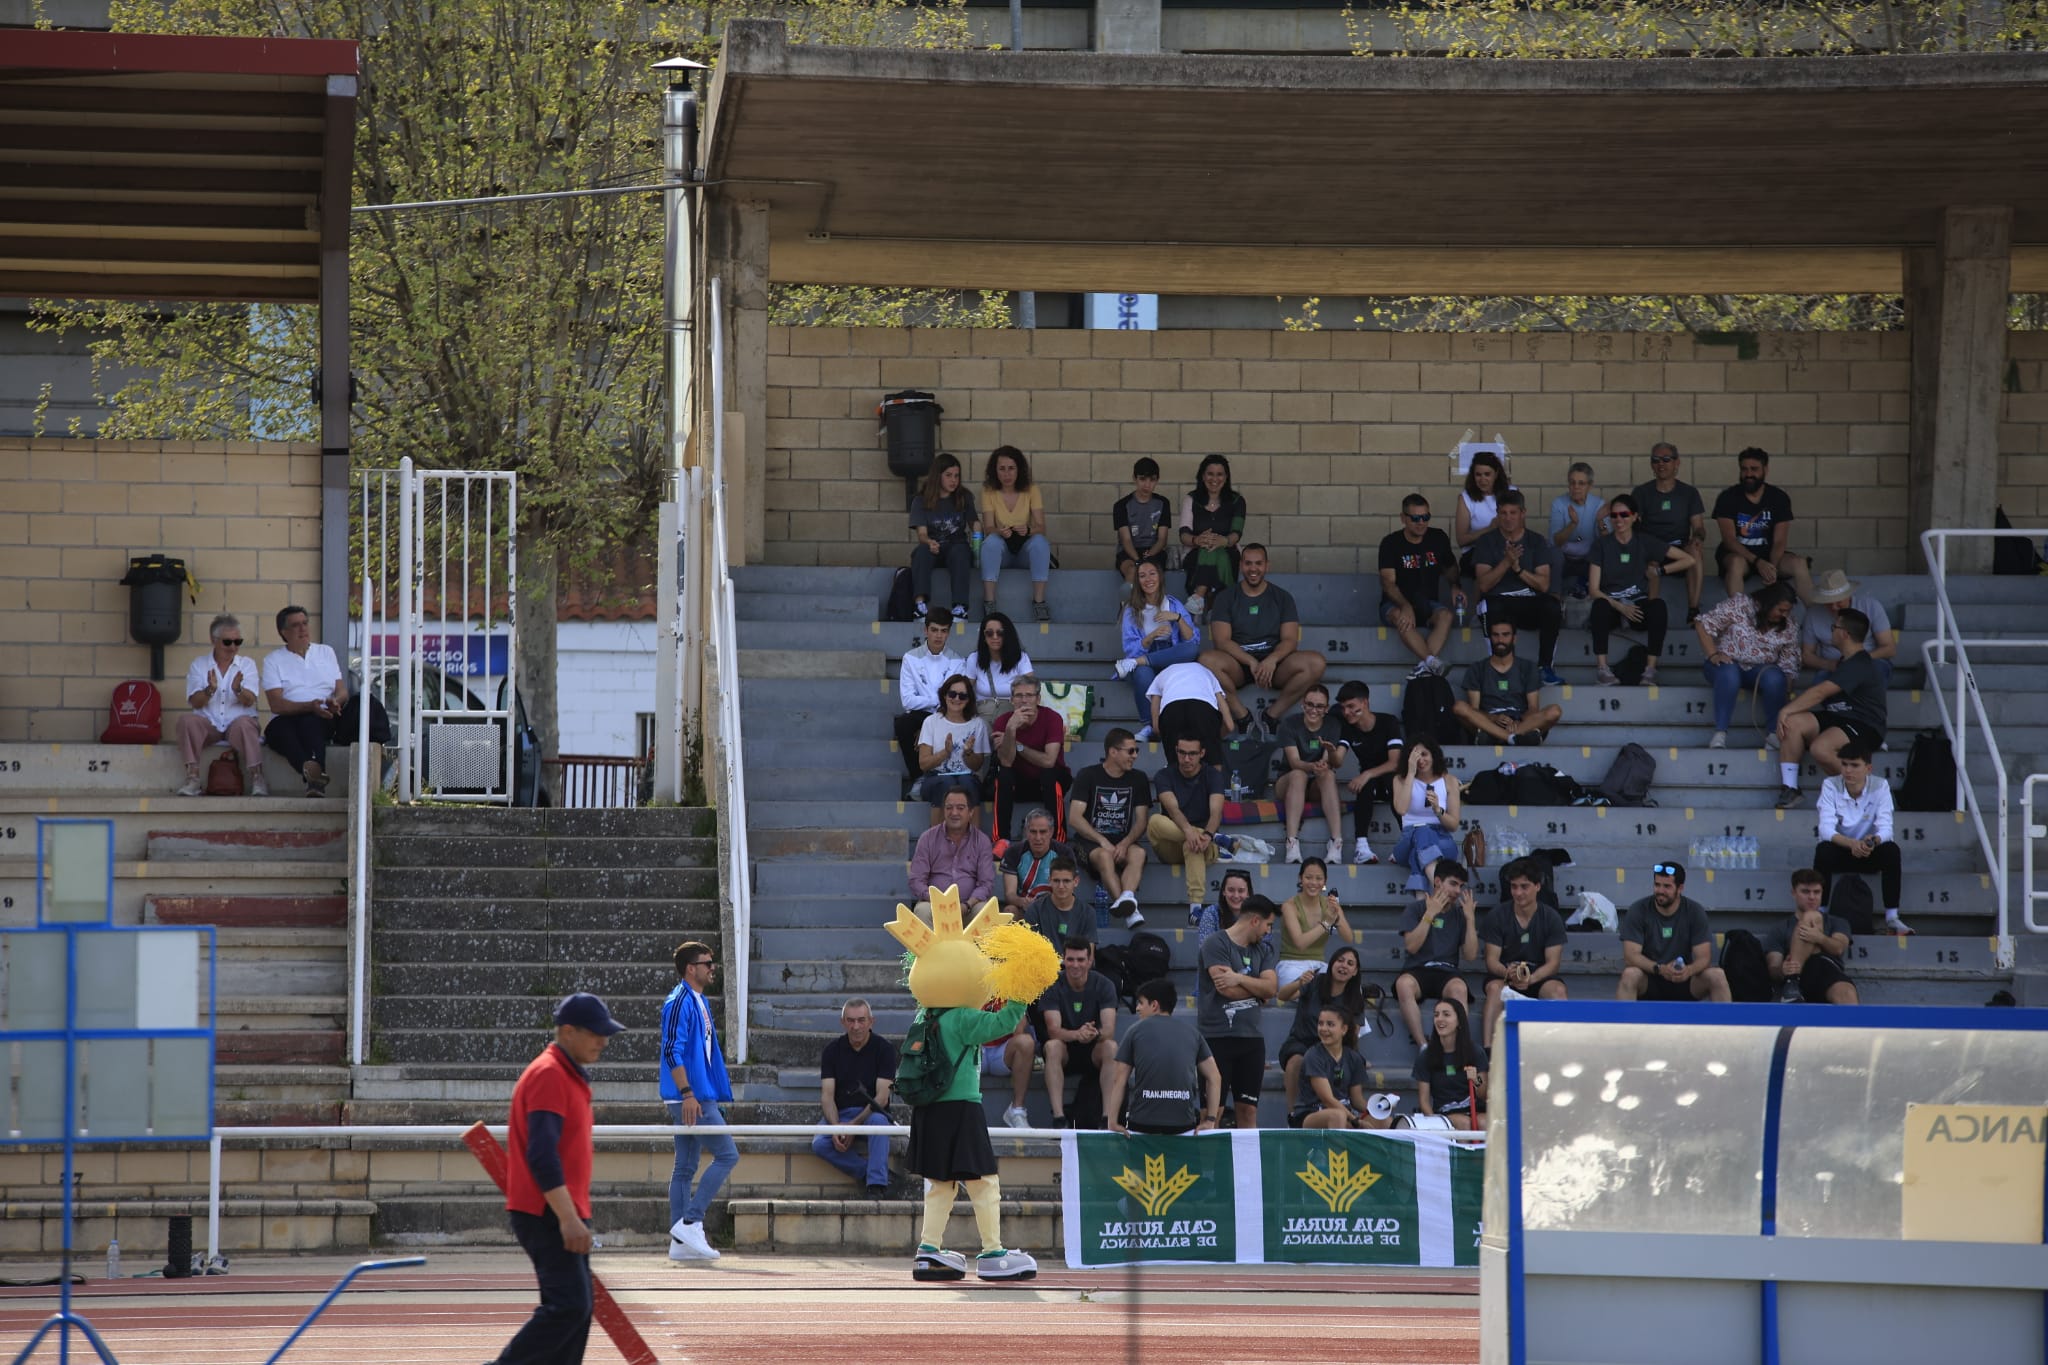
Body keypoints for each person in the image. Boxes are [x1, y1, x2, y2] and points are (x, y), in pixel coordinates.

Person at [496, 992, 623, 1365]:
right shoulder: (550, 1075)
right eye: (595, 1033)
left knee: (578, 1310)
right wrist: (568, 1218)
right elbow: (541, 1153)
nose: (603, 1041)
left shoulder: (565, 1074)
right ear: (568, 1031)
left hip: (559, 1209)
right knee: (569, 1306)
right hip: (547, 1211)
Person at [1199, 543, 1328, 737]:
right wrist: (1250, 661)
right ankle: (1242, 716)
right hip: (1238, 665)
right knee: (1206, 661)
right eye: (1248, 563)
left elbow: (1290, 640)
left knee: (1316, 662)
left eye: (1258, 563)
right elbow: (1222, 641)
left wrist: (1272, 660)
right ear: (1241, 565)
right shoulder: (1226, 597)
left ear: (1267, 565)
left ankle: (1271, 715)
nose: (1253, 569)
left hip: (1275, 665)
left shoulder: (1282, 597)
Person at [659, 944, 736, 1261]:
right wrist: (688, 1093)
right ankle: (690, 1221)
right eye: (708, 964)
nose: (712, 968)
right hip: (690, 1097)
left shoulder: (698, 1000)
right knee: (728, 1154)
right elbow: (670, 1050)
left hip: (696, 1094)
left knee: (686, 1166)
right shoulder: (679, 1001)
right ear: (691, 968)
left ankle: (680, 1242)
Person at [1773, 608, 1887, 810]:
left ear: (1844, 633)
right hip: (1839, 718)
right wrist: (1788, 714)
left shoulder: (1859, 663)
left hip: (1865, 724)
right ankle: (1790, 788)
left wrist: (1785, 709)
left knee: (1820, 748)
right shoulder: (1845, 661)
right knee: (1792, 723)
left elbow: (1820, 693)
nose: (1831, 631)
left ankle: (1862, 793)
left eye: (1834, 627)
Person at [1588, 493, 1694, 685]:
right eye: (1614, 516)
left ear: (1635, 516)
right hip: (1613, 605)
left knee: (1658, 606)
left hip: (1638, 605)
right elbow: (1594, 589)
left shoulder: (1645, 541)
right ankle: (1602, 669)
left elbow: (1688, 559)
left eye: (1624, 514)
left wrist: (1660, 570)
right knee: (1599, 606)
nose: (1619, 520)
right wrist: (1620, 607)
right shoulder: (1601, 544)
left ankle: (1650, 670)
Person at [1197, 894, 1279, 1130]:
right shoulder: (1215, 943)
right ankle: (1209, 1169)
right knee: (1212, 1113)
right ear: (1255, 920)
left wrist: (1239, 978)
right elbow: (1227, 990)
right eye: (1268, 924)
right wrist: (1258, 990)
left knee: (1248, 1112)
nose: (1268, 931)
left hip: (1251, 1040)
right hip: (1216, 1038)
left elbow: (1272, 988)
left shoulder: (1264, 950)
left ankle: (1248, 1167)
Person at [1813, 742, 1913, 935]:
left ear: (1868, 768)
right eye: (1844, 764)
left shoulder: (1880, 786)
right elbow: (1825, 829)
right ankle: (1820, 913)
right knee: (1823, 850)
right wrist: (1851, 843)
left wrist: (1871, 842)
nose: (1848, 770)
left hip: (1868, 851)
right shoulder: (1830, 785)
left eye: (1854, 765)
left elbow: (1886, 829)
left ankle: (1892, 917)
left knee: (1891, 850)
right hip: (1841, 851)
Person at [1105, 978, 1223, 1135]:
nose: (1137, 1008)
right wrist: (1210, 1120)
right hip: (1183, 1124)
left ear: (1154, 1005)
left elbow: (1118, 1080)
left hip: (1142, 1123)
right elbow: (1215, 1077)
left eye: (1141, 1003)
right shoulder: (1193, 1033)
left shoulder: (1134, 1031)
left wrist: (1112, 1121)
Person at [1472, 489, 1564, 687]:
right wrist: (1506, 562)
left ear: (1523, 513)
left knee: (1552, 606)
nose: (1508, 518)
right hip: (1499, 601)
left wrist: (1518, 569)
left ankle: (1545, 668)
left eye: (1513, 513)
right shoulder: (1487, 542)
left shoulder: (1536, 541)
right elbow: (1484, 584)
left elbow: (1543, 584)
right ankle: (1496, 668)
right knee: (1489, 605)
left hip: (1529, 601)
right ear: (1498, 514)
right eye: (1503, 513)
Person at [1695, 582, 1800, 750]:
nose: (1784, 615)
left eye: (1787, 611)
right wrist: (1713, 654)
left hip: (1759, 671)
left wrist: (1785, 691)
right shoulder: (1740, 604)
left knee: (1775, 677)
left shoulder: (1789, 624)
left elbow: (1788, 662)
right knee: (1729, 673)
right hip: (1724, 665)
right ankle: (1720, 733)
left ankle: (1773, 735)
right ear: (1768, 603)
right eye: (1780, 610)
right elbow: (1703, 624)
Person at [1478, 858, 1570, 1046]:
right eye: (1514, 887)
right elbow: (1491, 961)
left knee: (1558, 992)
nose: (1518, 893)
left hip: (1538, 975)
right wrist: (1508, 974)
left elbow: (1553, 963)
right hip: (1505, 974)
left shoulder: (1551, 917)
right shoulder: (1497, 915)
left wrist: (1531, 979)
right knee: (1495, 990)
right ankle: (1488, 1050)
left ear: (1537, 886)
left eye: (1524, 887)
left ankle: (1562, 1046)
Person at [811, 998, 898, 1194]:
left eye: (861, 1020)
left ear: (871, 1021)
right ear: (843, 1022)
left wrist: (852, 1127)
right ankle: (870, 1174)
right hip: (840, 1114)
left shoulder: (884, 1049)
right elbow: (827, 1096)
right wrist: (836, 1128)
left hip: (871, 1113)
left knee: (880, 1124)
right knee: (819, 1143)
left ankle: (877, 1186)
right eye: (850, 1021)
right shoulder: (832, 1051)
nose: (856, 1026)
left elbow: (882, 1098)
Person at [176, 612, 266, 797]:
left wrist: (238, 690)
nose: (233, 647)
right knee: (186, 721)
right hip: (209, 725)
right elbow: (195, 701)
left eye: (237, 642)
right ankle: (192, 778)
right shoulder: (199, 665)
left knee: (245, 723)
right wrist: (210, 690)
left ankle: (257, 778)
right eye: (227, 642)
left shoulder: (247, 665)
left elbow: (250, 700)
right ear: (213, 640)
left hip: (237, 726)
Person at [1068, 728, 1151, 928]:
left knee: (1138, 853)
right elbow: (1075, 818)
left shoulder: (1138, 778)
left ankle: (1127, 899)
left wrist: (1125, 843)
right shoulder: (1088, 775)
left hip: (1122, 840)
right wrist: (1102, 841)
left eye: (1136, 751)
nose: (1135, 756)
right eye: (1130, 751)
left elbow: (1141, 821)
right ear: (1113, 752)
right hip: (1089, 843)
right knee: (1105, 856)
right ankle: (1132, 912)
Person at [261, 604, 346, 797]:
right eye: (296, 625)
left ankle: (314, 782)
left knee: (311, 723)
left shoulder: (325, 652)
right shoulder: (273, 660)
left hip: (322, 714)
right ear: (283, 632)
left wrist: (335, 701)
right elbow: (276, 704)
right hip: (288, 716)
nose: (303, 629)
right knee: (276, 731)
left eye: (305, 623)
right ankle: (313, 775)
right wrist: (309, 706)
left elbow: (342, 691)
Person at [1712, 446, 1815, 604]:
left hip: (1770, 556)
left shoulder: (1778, 497)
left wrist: (1771, 568)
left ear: (1765, 469)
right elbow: (1729, 540)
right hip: (1741, 556)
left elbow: (1780, 541)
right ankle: (1739, 620)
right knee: (1736, 563)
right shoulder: (1727, 497)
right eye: (1744, 469)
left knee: (1799, 563)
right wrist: (1757, 562)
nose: (1748, 474)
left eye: (1754, 469)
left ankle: (1814, 619)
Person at [1616, 863, 1732, 1002]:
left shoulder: (1694, 911)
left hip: (1684, 980)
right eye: (1657, 885)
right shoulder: (1638, 910)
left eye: (1667, 886)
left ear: (1680, 888)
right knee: (1630, 975)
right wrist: (1660, 968)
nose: (1660, 891)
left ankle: (1723, 1023)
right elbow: (1630, 957)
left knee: (1717, 976)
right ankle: (1625, 1023)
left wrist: (1688, 970)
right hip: (1651, 979)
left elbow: (1704, 958)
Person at [1394, 859, 1479, 1048]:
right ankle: (1423, 1045)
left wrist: (1471, 921)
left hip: (1447, 971)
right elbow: (1412, 947)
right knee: (1403, 984)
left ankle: (1458, 1047)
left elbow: (1471, 956)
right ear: (1438, 882)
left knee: (1459, 989)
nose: (1458, 891)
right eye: (1453, 884)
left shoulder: (1460, 914)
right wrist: (1429, 915)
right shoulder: (1415, 909)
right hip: (1418, 969)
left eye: (1461, 886)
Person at [1378, 493, 1463, 679]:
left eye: (1425, 517)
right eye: (1415, 518)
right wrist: (1405, 605)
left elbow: (1450, 567)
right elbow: (1388, 583)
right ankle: (1432, 662)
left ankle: (1425, 666)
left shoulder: (1438, 537)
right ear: (1403, 518)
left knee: (1446, 616)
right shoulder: (1391, 543)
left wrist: (1455, 585)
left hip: (1428, 602)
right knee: (1401, 617)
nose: (1421, 522)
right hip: (1396, 604)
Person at [1116, 559, 1203, 740]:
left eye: (1152, 574)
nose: (1148, 579)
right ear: (1138, 581)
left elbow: (1192, 640)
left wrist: (1178, 618)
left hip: (1170, 656)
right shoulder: (1132, 610)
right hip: (1145, 655)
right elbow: (1130, 649)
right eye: (1142, 575)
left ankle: (1137, 664)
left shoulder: (1173, 604)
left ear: (1160, 577)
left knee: (1191, 650)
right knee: (1141, 672)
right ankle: (1149, 726)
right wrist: (1151, 636)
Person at [1277, 946, 1369, 1112]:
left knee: (1352, 1061)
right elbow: (1282, 996)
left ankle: (1346, 1111)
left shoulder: (1355, 997)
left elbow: (1352, 1036)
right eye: (1340, 960)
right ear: (1332, 963)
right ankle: (1294, 1115)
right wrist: (1298, 982)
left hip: (1335, 1047)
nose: (1344, 966)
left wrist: (1353, 1057)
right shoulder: (1315, 981)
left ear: (1355, 971)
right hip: (1302, 1041)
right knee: (1296, 1061)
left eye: (1350, 963)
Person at [1039, 938, 1118, 1128]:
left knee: (1111, 1047)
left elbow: (1109, 1029)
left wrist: (1093, 1034)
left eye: (1081, 960)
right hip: (1065, 1050)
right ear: (1063, 960)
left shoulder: (1105, 984)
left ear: (1090, 961)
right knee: (1052, 1046)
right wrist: (1077, 1034)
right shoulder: (1052, 984)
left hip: (1093, 1049)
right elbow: (1053, 1030)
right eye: (1071, 959)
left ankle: (1108, 1117)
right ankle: (1058, 1118)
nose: (1075, 965)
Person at [1150, 734, 1226, 927]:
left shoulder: (1213, 775)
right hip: (1173, 843)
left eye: (1192, 754)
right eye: (1182, 753)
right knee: (1155, 821)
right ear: (1176, 752)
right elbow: (1172, 809)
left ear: (1202, 753)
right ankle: (1217, 838)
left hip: (1204, 843)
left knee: (1191, 845)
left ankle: (1195, 910)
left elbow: (1216, 812)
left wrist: (1207, 835)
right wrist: (1189, 831)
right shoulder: (1164, 775)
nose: (1186, 759)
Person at [1274, 683, 1352, 864]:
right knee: (1298, 774)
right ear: (1303, 704)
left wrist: (1325, 762)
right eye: (1310, 704)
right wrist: (1313, 767)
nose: (1313, 710)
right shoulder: (1290, 723)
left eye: (1319, 706)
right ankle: (1291, 842)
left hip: (1316, 783)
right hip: (1288, 782)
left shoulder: (1332, 724)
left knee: (1329, 775)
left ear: (1326, 709)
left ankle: (1336, 842)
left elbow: (1328, 757)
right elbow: (1294, 762)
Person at [1631, 442, 1707, 624]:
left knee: (1695, 551)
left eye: (1666, 459)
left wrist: (1697, 538)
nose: (1661, 464)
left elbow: (1698, 526)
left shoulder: (1689, 492)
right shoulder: (1642, 492)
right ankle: (1650, 613)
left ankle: (1693, 610)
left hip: (1679, 549)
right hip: (1653, 548)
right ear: (1651, 464)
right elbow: (1633, 525)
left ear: (1677, 462)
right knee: (1651, 560)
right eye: (1656, 460)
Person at [1455, 619, 1562, 746]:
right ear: (1490, 638)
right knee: (1459, 707)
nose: (1500, 640)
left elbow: (1533, 708)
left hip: (1520, 724)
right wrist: (1493, 718)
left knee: (1554, 711)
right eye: (1496, 635)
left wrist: (1519, 722)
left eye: (1505, 635)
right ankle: (1513, 738)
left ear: (1514, 638)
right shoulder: (1477, 668)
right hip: (1488, 724)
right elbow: (1474, 710)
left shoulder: (1528, 667)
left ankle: (1502, 737)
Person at [991, 677, 1069, 845]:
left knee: (1050, 774)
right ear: (1011, 700)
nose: (1024, 700)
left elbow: (1049, 760)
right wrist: (1011, 729)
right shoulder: (1003, 722)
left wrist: (1016, 744)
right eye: (1019, 696)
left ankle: (1058, 840)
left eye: (1029, 695)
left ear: (1038, 699)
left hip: (1049, 781)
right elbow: (1006, 761)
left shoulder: (1052, 718)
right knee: (1003, 775)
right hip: (1019, 782)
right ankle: (1002, 840)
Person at [1764, 870, 1860, 1004]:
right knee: (1811, 916)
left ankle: (1792, 982)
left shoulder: (1837, 922)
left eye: (1817, 892)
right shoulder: (1780, 928)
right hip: (1800, 973)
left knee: (1847, 992)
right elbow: (1773, 967)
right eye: (1805, 892)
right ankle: (1792, 980)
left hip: (1827, 971)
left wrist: (1819, 938)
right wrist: (1783, 970)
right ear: (1794, 893)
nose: (1812, 897)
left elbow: (1838, 948)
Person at [979, 446, 1052, 622]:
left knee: (1040, 542)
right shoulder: (989, 491)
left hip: (1023, 550)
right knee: (990, 542)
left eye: (1011, 468)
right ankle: (989, 602)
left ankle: (1039, 602)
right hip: (1002, 549)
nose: (1007, 474)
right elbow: (988, 528)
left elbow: (1041, 527)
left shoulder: (1031, 489)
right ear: (994, 471)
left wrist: (1028, 530)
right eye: (1002, 469)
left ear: (1019, 469)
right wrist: (1000, 531)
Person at [1334, 680, 1402, 867]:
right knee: (1365, 784)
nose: (1346, 712)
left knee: (1392, 781)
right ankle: (1361, 847)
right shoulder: (1347, 727)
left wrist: (1367, 774)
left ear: (1365, 703)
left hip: (1391, 776)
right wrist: (1331, 753)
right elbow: (1338, 760)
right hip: (1370, 783)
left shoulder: (1388, 722)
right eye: (1343, 708)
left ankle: (1407, 841)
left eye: (1351, 706)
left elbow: (1395, 763)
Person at [1292, 1005, 1391, 1131]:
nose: (1323, 1028)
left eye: (1330, 1024)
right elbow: (1327, 1100)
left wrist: (1379, 1109)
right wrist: (1356, 1121)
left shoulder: (1354, 1058)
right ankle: (1339, 1151)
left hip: (1347, 1116)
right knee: (1337, 1116)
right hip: (1311, 1114)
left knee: (1384, 1120)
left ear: (1344, 1029)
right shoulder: (1313, 1056)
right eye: (1320, 1024)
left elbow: (1357, 1100)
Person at [908, 453, 978, 621]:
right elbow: (922, 534)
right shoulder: (920, 500)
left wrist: (978, 534)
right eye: (948, 475)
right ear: (937, 476)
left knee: (961, 551)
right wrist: (929, 542)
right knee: (921, 552)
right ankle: (920, 606)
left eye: (956, 476)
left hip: (957, 546)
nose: (953, 480)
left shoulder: (964, 497)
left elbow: (974, 522)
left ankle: (960, 608)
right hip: (934, 546)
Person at [1178, 454, 1246, 621]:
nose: (1214, 479)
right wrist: (1197, 540)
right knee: (1208, 550)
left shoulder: (1237, 501)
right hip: (1195, 553)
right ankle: (1215, 602)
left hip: (1228, 551)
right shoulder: (1191, 499)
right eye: (1210, 474)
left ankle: (1198, 597)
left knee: (1218, 551)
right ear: (1202, 476)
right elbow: (1184, 533)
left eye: (1219, 474)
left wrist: (1224, 541)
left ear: (1226, 477)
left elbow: (1237, 532)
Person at [1800, 569, 1897, 686]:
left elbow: (1889, 648)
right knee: (1820, 681)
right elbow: (1807, 655)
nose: (1834, 607)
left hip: (1869, 661)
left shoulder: (1871, 606)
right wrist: (1831, 665)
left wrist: (1855, 661)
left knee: (1877, 671)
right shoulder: (1813, 614)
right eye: (1828, 603)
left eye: (1838, 602)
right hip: (1833, 667)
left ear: (1848, 595)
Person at [1390, 740, 1463, 894]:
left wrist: (1438, 810)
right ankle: (1441, 891)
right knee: (1421, 831)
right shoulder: (1400, 779)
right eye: (1415, 756)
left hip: (1442, 840)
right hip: (1408, 838)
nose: (1420, 760)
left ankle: (1424, 906)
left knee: (1417, 854)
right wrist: (1410, 773)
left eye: (1424, 754)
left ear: (1434, 755)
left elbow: (1454, 825)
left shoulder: (1449, 781)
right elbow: (1401, 809)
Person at [895, 615, 958, 789]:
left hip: (946, 713)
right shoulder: (910, 658)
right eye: (934, 630)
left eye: (943, 631)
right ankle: (918, 777)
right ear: (926, 630)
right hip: (920, 714)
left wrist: (933, 709)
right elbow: (907, 701)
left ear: (949, 633)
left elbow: (955, 698)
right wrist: (937, 700)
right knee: (903, 724)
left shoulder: (958, 660)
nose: (938, 635)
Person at [916, 674, 989, 822]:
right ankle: (936, 840)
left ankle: (974, 841)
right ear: (944, 695)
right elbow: (923, 764)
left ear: (969, 700)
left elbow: (978, 765)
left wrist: (968, 753)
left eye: (962, 696)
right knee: (946, 784)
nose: (956, 699)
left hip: (967, 777)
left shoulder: (977, 724)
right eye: (952, 694)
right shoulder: (931, 722)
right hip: (935, 777)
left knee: (968, 784)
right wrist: (945, 753)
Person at [909, 788, 996, 910]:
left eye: (960, 808)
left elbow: (986, 883)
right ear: (943, 811)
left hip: (969, 906)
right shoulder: (927, 838)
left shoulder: (982, 841)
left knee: (983, 910)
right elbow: (916, 880)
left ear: (970, 812)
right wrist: (935, 900)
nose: (954, 813)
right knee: (922, 910)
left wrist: (967, 905)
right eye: (949, 808)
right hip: (934, 904)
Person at [1276, 856, 1354, 988]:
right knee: (1311, 991)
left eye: (1319, 878)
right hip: (1291, 965)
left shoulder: (1330, 904)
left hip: (1319, 965)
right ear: (1300, 879)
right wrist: (1326, 923)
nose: (1313, 883)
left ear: (1325, 881)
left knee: (1349, 988)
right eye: (1308, 877)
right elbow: (1300, 943)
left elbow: (1349, 938)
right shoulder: (1289, 906)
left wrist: (1337, 917)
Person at [1412, 998, 1487, 1131]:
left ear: (1459, 1021)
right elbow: (1424, 1102)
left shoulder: (1475, 1052)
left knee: (1484, 1122)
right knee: (1463, 1123)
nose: (1440, 1019)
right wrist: (1434, 1124)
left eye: (1446, 1014)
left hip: (1476, 1110)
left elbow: (1483, 1094)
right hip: (1445, 1114)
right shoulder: (1426, 1056)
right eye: (1436, 1015)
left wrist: (1476, 1080)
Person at [1147, 659, 1232, 769]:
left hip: (1171, 710)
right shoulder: (1207, 673)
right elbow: (1229, 725)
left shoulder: (1162, 674)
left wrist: (1160, 730)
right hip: (1203, 709)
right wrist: (1213, 738)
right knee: (1213, 766)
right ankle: (1214, 785)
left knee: (1176, 768)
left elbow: (1156, 724)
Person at [1113, 456, 1174, 587]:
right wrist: (1137, 560)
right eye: (1142, 479)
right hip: (1129, 553)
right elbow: (1126, 540)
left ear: (1157, 480)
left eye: (1152, 480)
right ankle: (1127, 606)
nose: (1147, 485)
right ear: (1134, 478)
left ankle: (1151, 606)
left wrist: (1150, 555)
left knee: (1151, 573)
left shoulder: (1163, 503)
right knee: (1133, 572)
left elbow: (1162, 539)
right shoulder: (1121, 505)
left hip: (1154, 552)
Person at [999, 807, 1072, 913]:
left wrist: (1045, 904)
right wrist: (1023, 902)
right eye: (1033, 832)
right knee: (1009, 910)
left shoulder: (1064, 852)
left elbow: (1067, 890)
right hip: (1024, 908)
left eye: (1043, 832)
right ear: (1026, 832)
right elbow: (1010, 895)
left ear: (1051, 832)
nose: (1038, 838)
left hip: (1055, 907)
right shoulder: (1013, 852)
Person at [1549, 461, 1604, 598]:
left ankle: (1597, 594)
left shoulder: (1599, 504)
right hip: (1565, 557)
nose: (1576, 487)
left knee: (1602, 552)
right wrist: (1573, 524)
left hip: (1588, 558)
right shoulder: (1559, 503)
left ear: (1590, 486)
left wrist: (1601, 524)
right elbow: (1556, 541)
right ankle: (1555, 598)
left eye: (1581, 483)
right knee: (1553, 553)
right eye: (1572, 483)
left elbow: (1604, 541)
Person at [967, 614, 1034, 725]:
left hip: (1013, 715)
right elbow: (965, 690)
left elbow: (1031, 689)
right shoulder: (974, 658)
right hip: (982, 716)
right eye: (989, 633)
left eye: (1000, 633)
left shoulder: (1021, 658)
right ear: (983, 636)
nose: (994, 637)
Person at [1020, 854, 1094, 949]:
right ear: (1049, 881)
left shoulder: (1088, 913)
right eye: (1056, 881)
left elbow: (1088, 957)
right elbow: (1029, 950)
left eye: (1066, 881)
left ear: (1076, 881)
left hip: (1075, 963)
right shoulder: (1035, 910)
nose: (1061, 886)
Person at [1453, 450, 1507, 578]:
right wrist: (1489, 529)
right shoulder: (1466, 498)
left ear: (1496, 474)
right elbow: (1461, 540)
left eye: (1487, 474)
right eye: (1478, 475)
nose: (1482, 479)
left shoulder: (1510, 492)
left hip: (1505, 550)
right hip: (1475, 554)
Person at [1194, 867, 1271, 944]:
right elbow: (1206, 949)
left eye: (1241, 891)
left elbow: (1264, 951)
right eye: (1231, 890)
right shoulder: (1211, 913)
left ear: (1248, 893)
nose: (1236, 896)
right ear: (1224, 891)